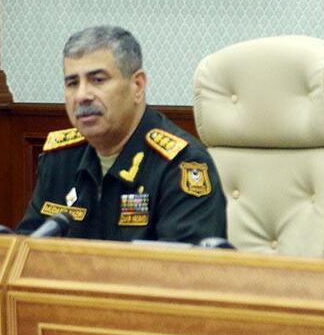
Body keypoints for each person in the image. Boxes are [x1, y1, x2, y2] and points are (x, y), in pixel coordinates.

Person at [16, 25, 227, 243]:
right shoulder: (60, 158)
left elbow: (181, 262)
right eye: (72, 83)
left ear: (137, 86)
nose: (81, 96)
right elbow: (26, 246)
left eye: (98, 80)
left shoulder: (180, 164)